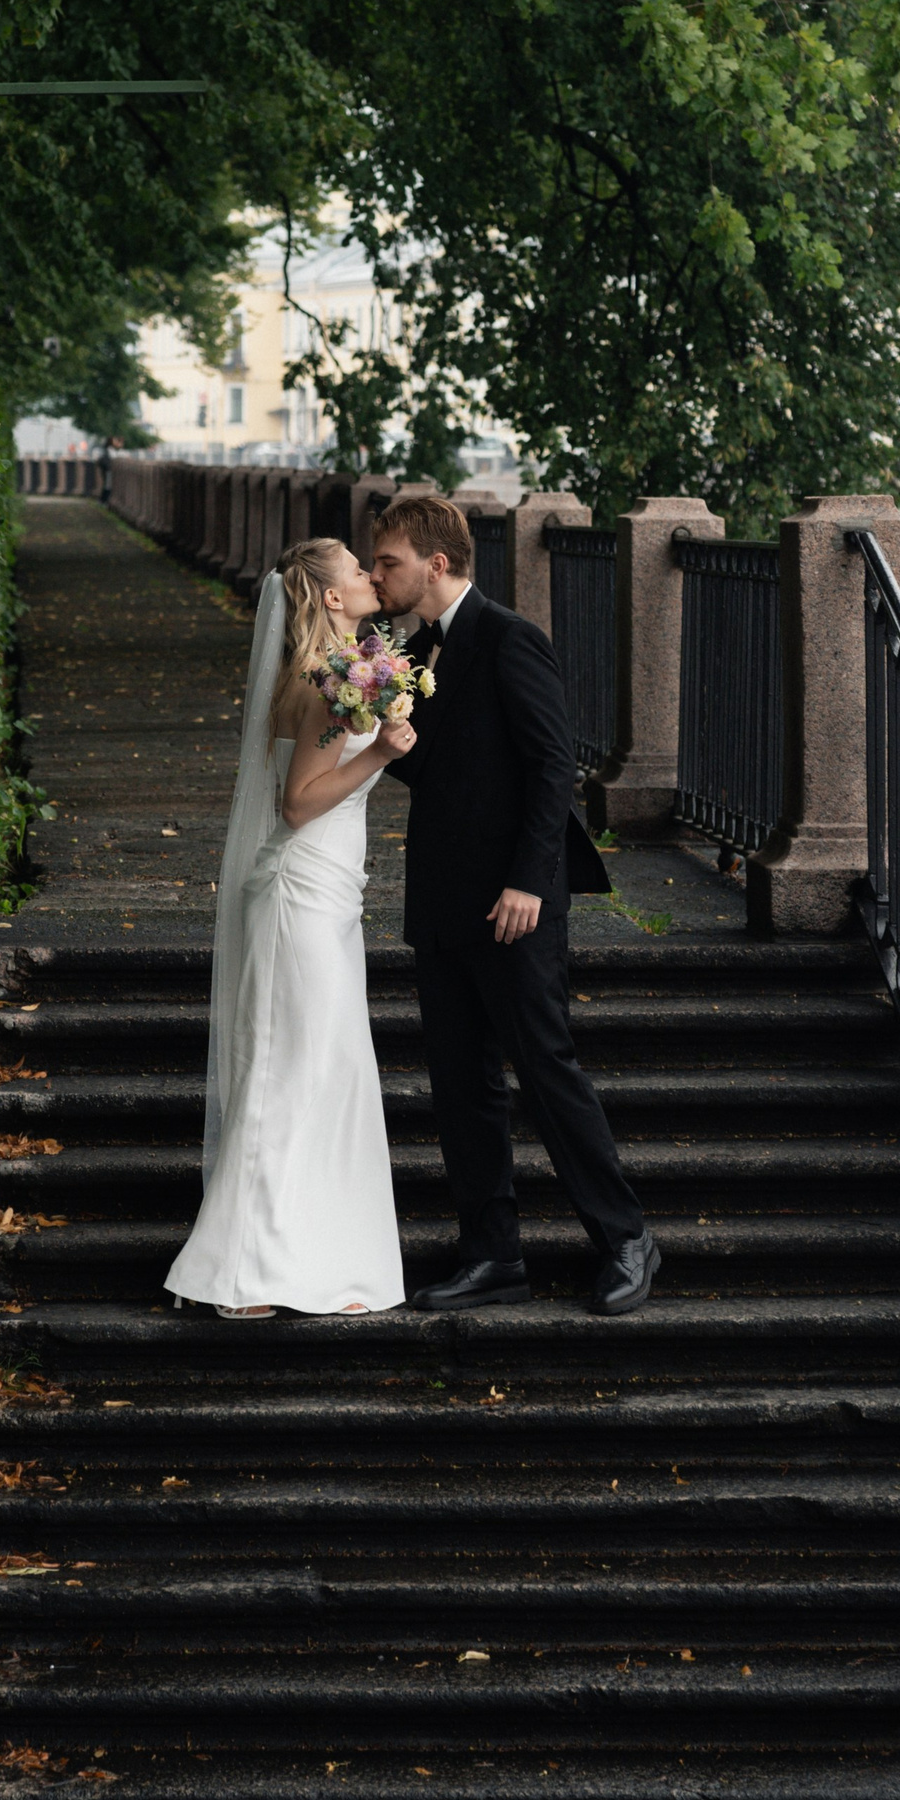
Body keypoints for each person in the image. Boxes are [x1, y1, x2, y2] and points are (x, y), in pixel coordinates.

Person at [370, 495, 659, 1318]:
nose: (378, 576)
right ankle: (492, 1255)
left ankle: (627, 1238)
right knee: (461, 1084)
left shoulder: (509, 637)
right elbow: (427, 768)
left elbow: (552, 764)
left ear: (436, 563)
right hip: (442, 896)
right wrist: (376, 719)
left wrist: (530, 881)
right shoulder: (413, 652)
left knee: (544, 1069)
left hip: (514, 901)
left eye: (388, 562)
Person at [166, 539, 414, 1320]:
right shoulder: (322, 683)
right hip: (300, 895)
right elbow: (300, 803)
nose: (370, 576)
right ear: (332, 599)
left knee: (328, 1070)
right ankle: (241, 1272)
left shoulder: (336, 673)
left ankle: (323, 1258)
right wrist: (379, 753)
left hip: (329, 894)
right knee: (288, 1072)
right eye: (357, 570)